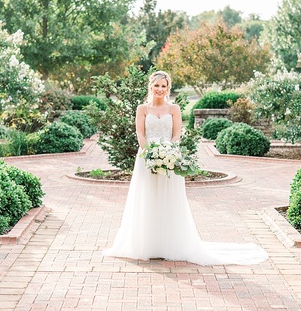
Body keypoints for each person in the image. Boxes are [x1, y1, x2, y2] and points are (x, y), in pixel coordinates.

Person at [103, 71, 268, 265]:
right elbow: (140, 134)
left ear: (168, 88)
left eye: (163, 86)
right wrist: (151, 153)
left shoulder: (174, 109)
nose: (160, 89)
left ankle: (169, 245)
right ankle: (146, 244)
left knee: (169, 199)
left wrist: (168, 153)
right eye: (157, 85)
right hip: (145, 158)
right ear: (151, 86)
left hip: (169, 158)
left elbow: (176, 134)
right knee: (146, 197)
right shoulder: (142, 109)